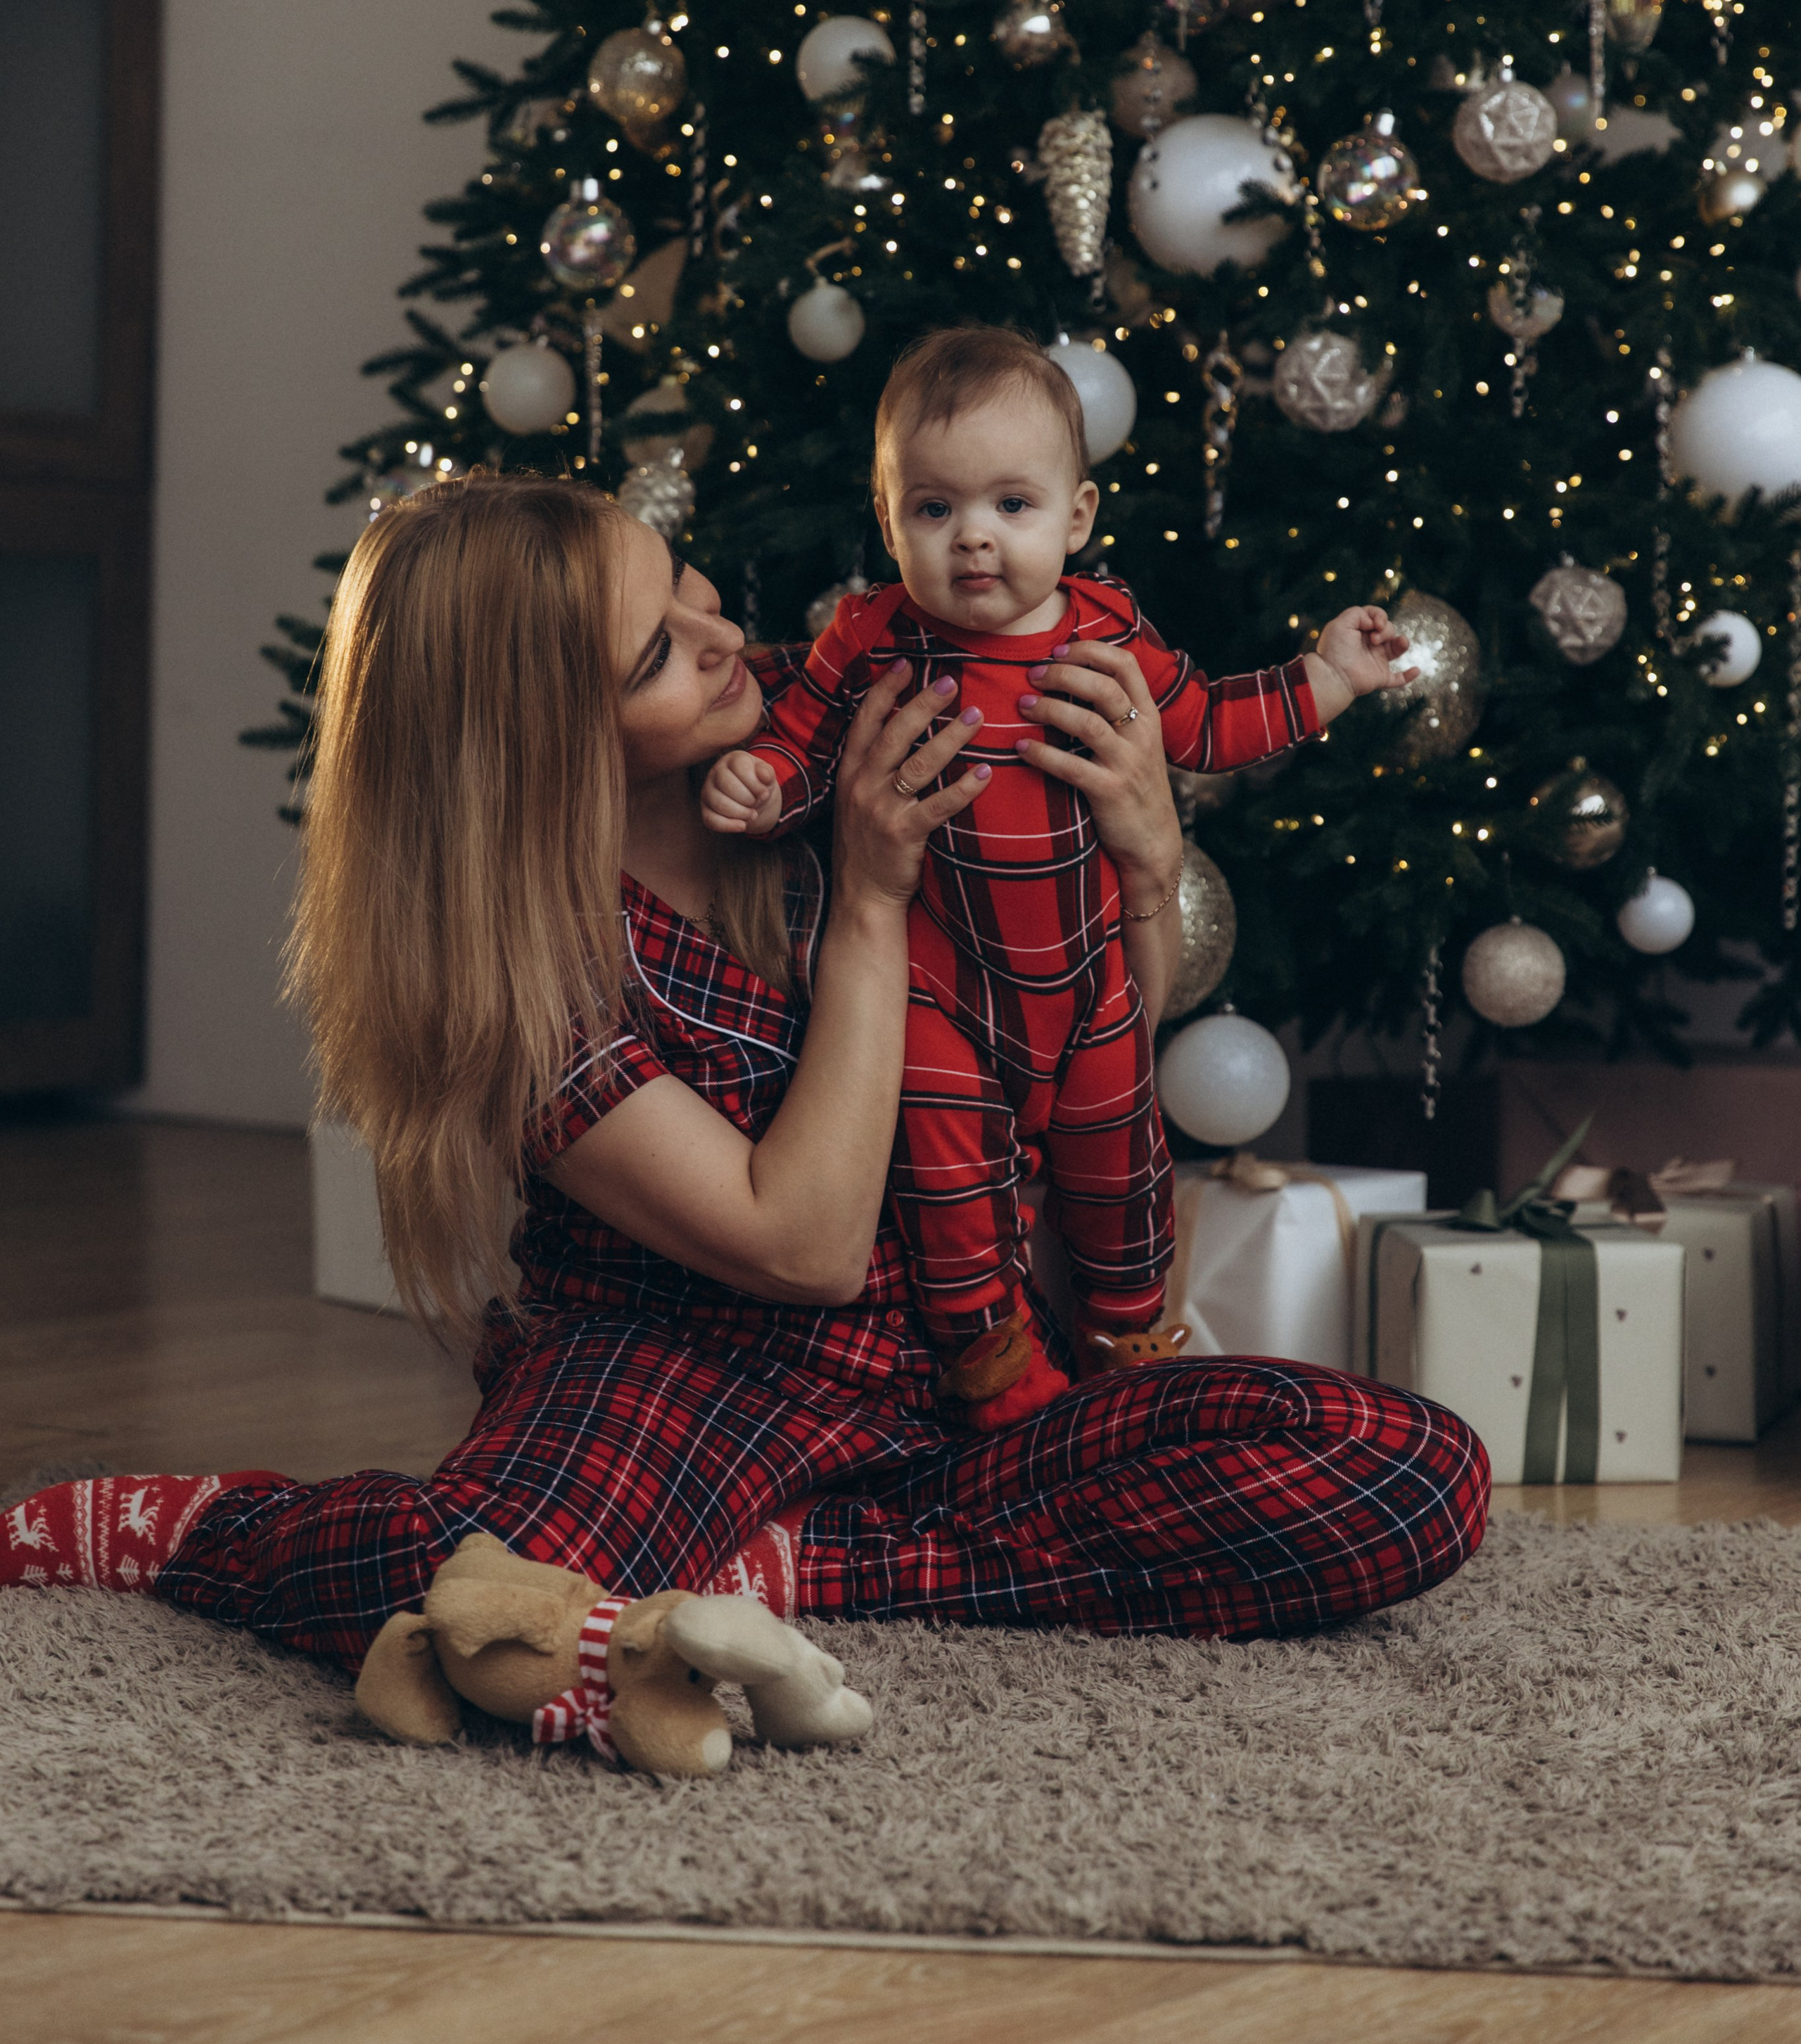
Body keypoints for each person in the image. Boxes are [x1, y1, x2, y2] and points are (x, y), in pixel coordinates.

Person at [0, 473, 1487, 1665]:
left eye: (694, 594)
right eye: (659, 652)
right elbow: (804, 1245)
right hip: (683, 1380)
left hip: (948, 1394)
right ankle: (207, 1530)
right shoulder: (536, 987)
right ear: (534, 746)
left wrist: (1148, 858)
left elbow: (1073, 1033)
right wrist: (869, 902)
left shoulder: (806, 738)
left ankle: (794, 1572)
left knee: (1394, 1469)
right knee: (440, 1592)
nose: (728, 644)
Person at [703, 326, 1416, 1429]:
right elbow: (803, 750)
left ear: (1077, 517)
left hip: (1088, 990)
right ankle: (1001, 1381)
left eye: (1011, 507)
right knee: (949, 1193)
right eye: (933, 510)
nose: (973, 540)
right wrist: (760, 784)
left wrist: (1326, 676)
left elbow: (1209, 727)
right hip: (943, 991)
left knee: (1127, 1186)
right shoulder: (871, 638)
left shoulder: (1106, 631)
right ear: (887, 518)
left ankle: (1129, 1358)